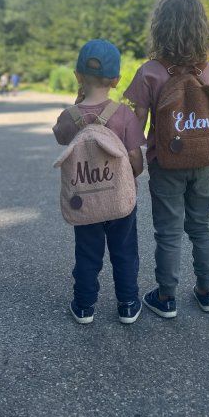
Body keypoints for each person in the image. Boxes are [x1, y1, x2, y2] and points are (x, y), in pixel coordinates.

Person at [124, 0, 209, 318]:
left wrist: (127, 156)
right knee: (202, 226)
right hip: (204, 161)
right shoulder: (208, 71)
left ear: (160, 28)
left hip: (166, 163)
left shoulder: (150, 72)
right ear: (201, 28)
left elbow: (136, 123)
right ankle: (207, 292)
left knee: (168, 231)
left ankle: (166, 297)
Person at [53, 39, 146, 325]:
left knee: (87, 253)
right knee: (125, 252)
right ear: (116, 80)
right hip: (119, 201)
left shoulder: (69, 117)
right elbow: (136, 163)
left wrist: (77, 105)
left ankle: (84, 306)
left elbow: (60, 136)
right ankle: (128, 304)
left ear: (77, 76)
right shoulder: (124, 115)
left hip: (85, 199)